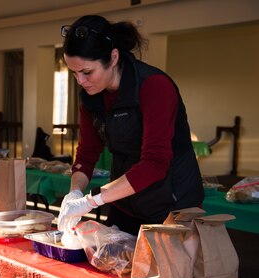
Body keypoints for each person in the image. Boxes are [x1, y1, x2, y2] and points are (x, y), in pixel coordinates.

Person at [57, 15, 204, 236]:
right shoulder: (90, 97)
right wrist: (75, 193)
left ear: (113, 57)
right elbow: (87, 153)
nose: (81, 81)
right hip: (124, 202)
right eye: (74, 73)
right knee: (113, 265)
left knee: (163, 269)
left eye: (87, 72)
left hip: (172, 205)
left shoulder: (154, 86)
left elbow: (155, 163)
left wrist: (92, 200)